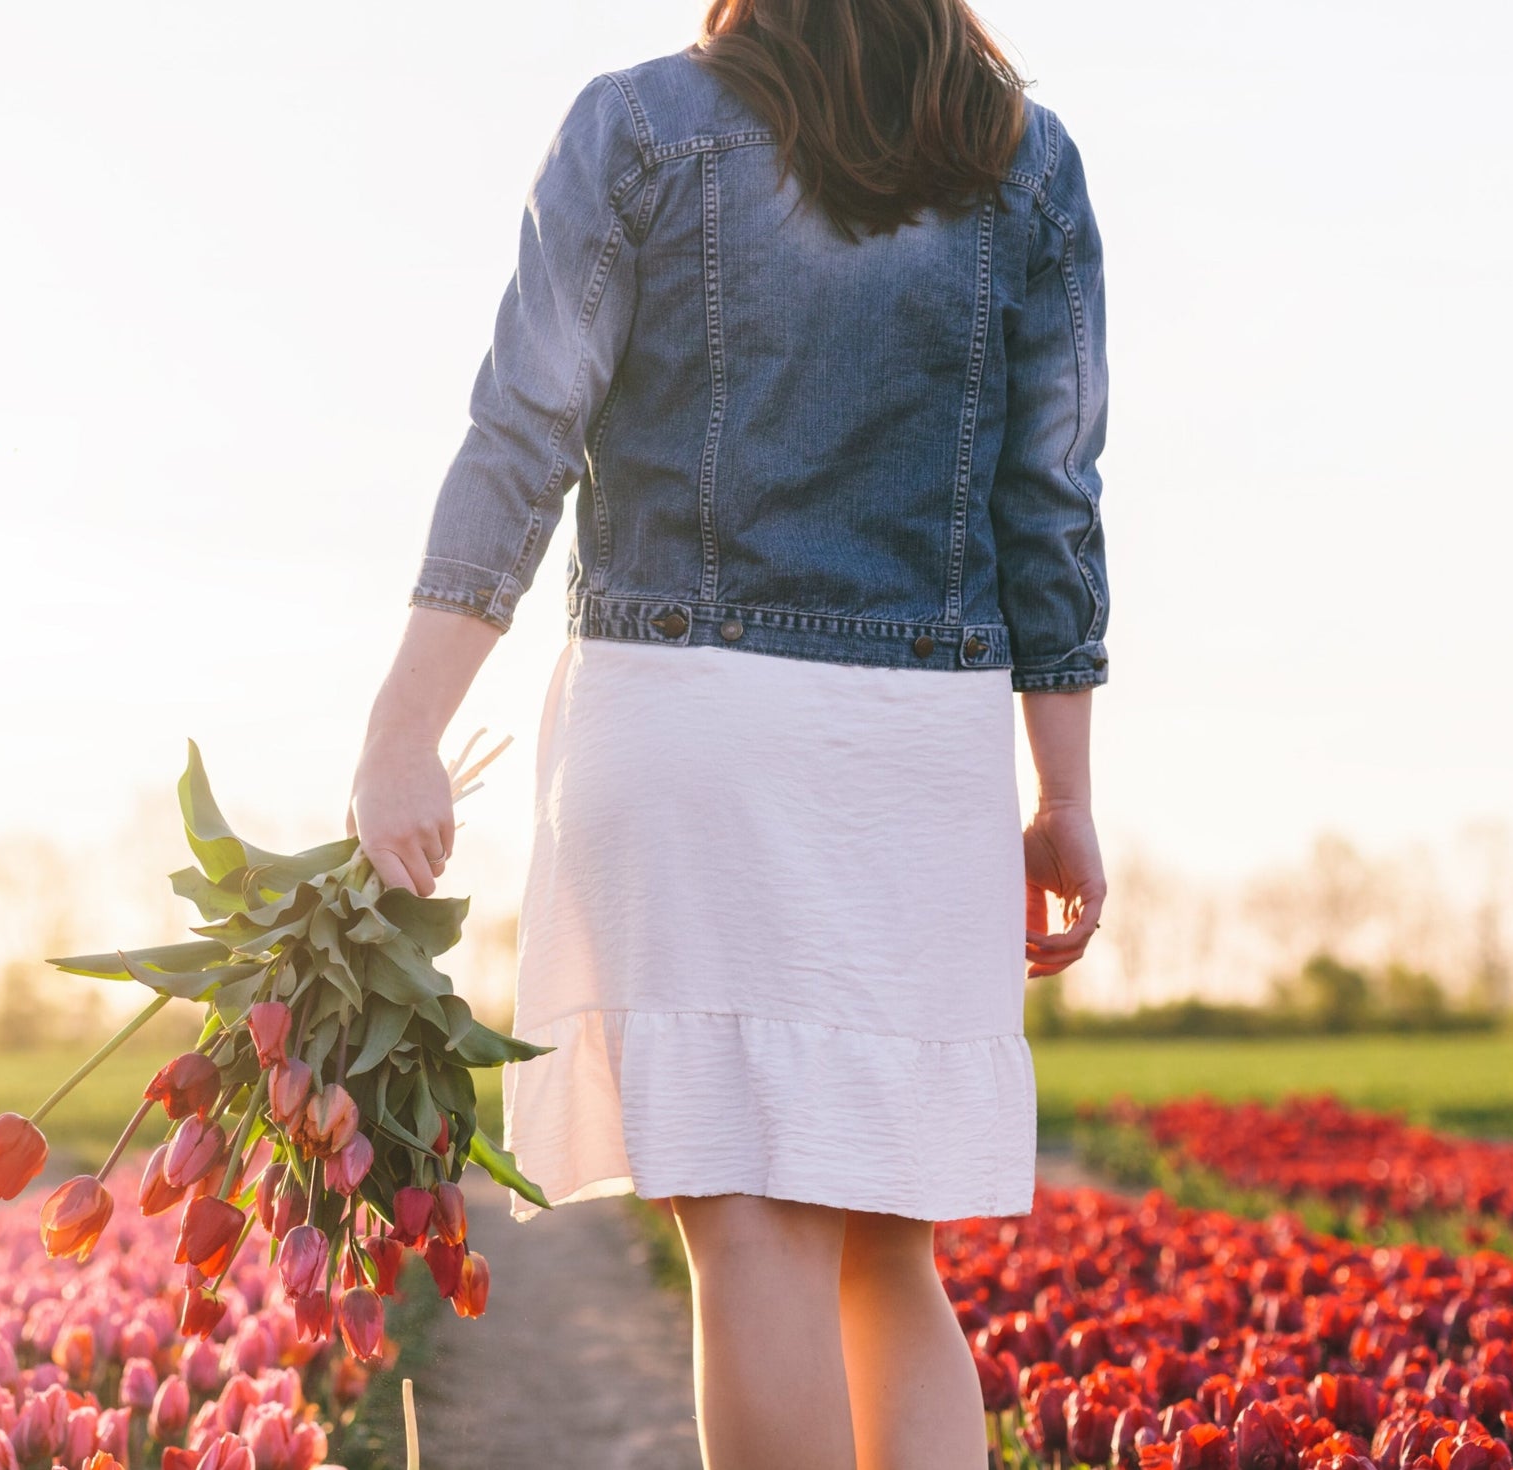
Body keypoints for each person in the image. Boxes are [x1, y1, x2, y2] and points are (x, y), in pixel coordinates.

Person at [346, 1, 1108, 1465]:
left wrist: (406, 723)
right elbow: (1052, 496)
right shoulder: (1024, 160)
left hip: (688, 724)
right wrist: (1062, 784)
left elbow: (524, 430)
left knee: (751, 1232)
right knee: (891, 1246)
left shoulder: (639, 128)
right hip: (924, 749)